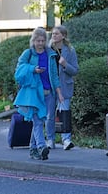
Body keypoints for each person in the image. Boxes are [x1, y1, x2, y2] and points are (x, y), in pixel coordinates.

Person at [14, 27, 63, 160]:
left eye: (42, 41)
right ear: (33, 40)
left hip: (49, 92)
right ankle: (42, 146)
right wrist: (32, 69)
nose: (40, 43)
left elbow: (54, 75)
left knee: (42, 120)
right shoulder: (28, 53)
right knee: (37, 121)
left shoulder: (50, 54)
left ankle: (33, 149)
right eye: (38, 41)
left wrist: (59, 92)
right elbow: (18, 70)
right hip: (34, 93)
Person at [46, 25, 79, 150]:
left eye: (57, 34)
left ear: (63, 36)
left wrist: (65, 64)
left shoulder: (70, 50)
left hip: (64, 87)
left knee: (64, 113)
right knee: (50, 114)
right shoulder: (48, 50)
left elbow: (75, 70)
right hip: (50, 87)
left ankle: (66, 140)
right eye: (53, 33)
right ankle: (50, 139)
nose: (54, 36)